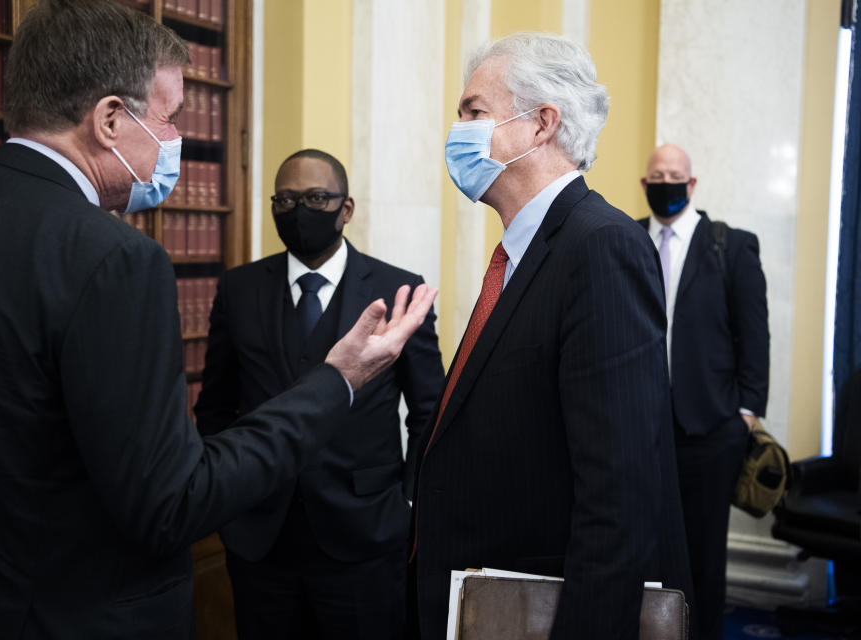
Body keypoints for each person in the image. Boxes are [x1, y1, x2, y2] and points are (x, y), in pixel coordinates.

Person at [0, 1, 437, 638]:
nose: (175, 140)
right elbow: (171, 502)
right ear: (108, 119)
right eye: (169, 118)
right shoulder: (114, 259)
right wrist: (338, 379)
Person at [408, 32, 693, 640]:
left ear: (541, 124)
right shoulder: (526, 252)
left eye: (474, 112)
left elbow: (619, 496)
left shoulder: (600, 247)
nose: (457, 129)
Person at [194, 148, 444, 640]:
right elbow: (215, 406)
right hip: (260, 538)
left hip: (365, 537)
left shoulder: (398, 289)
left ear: (344, 209)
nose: (298, 211)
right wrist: (226, 499)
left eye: (314, 198)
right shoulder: (238, 289)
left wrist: (409, 504)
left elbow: (429, 411)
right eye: (284, 200)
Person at [638, 143, 769, 640]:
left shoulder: (729, 245)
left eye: (675, 174)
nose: (666, 182)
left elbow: (754, 333)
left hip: (712, 430)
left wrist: (747, 411)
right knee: (644, 547)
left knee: (704, 555)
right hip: (643, 427)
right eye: (657, 174)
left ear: (692, 185)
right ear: (645, 183)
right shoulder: (625, 238)